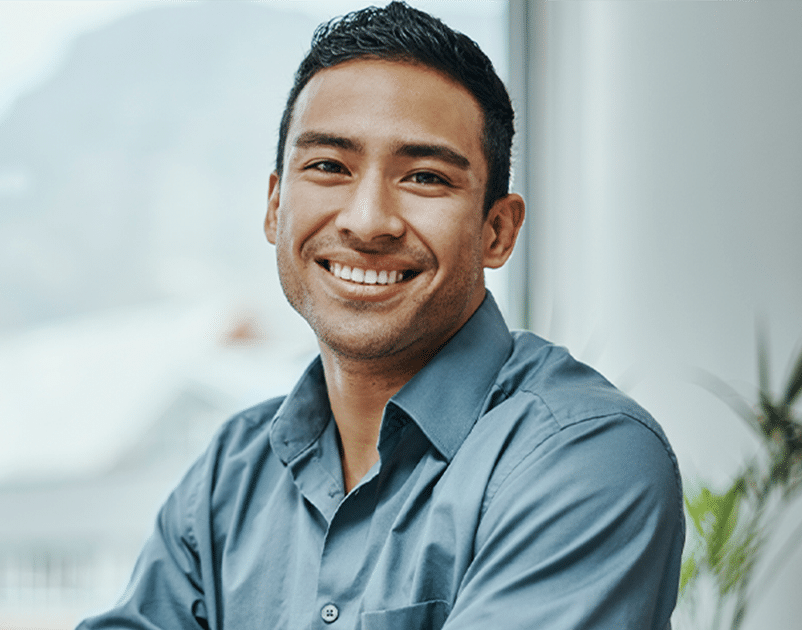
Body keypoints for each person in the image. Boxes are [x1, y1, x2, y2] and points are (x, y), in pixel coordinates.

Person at [79, 3, 683, 629]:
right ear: (274, 206)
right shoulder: (228, 476)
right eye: (329, 167)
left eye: (424, 177)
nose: (367, 221)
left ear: (497, 232)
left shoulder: (581, 458)